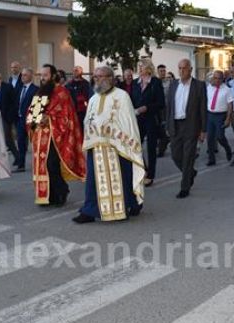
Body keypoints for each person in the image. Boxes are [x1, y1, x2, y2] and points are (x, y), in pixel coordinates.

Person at [73, 66, 145, 223]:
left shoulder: (122, 96)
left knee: (122, 177)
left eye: (101, 77)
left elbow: (128, 122)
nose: (97, 80)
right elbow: (88, 120)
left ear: (111, 78)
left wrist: (117, 136)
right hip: (96, 145)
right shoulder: (93, 98)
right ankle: (89, 211)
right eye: (95, 77)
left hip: (117, 146)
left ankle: (126, 205)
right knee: (93, 180)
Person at [27, 64, 86, 206]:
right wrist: (34, 121)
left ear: (53, 76)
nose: (42, 78)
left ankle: (61, 192)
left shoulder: (61, 92)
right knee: (42, 166)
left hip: (54, 136)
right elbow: (32, 113)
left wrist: (50, 118)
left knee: (52, 165)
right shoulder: (40, 92)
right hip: (40, 136)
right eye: (41, 75)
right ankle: (46, 195)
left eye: (45, 75)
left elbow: (67, 116)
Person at [166, 58, 206, 198]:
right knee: (175, 155)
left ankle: (185, 188)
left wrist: (203, 130)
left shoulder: (199, 86)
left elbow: (202, 108)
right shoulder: (173, 85)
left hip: (191, 125)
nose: (181, 71)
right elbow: (169, 106)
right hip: (175, 125)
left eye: (184, 68)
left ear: (190, 69)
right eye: (180, 68)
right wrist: (167, 124)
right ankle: (190, 172)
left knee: (188, 156)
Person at [132, 60, 165, 186]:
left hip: (151, 118)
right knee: (135, 146)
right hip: (138, 119)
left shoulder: (155, 82)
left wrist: (147, 107)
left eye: (142, 66)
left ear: (149, 68)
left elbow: (161, 103)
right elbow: (132, 99)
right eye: (139, 66)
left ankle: (150, 175)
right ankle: (143, 169)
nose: (140, 68)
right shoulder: (136, 83)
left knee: (151, 147)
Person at [0, 69, 20, 167]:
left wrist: (11, 115)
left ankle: (18, 157)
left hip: (5, 117)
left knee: (7, 138)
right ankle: (0, 160)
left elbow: (15, 102)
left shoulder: (7, 87)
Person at [205, 70, 234, 165]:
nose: (217, 80)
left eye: (219, 78)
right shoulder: (209, 87)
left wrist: (228, 118)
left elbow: (230, 104)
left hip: (220, 115)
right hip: (210, 115)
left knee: (220, 136)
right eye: (215, 78)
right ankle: (211, 159)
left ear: (223, 79)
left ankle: (227, 149)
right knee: (209, 138)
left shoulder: (227, 89)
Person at [14, 67, 38, 172]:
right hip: (20, 120)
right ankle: (21, 164)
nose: (22, 77)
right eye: (22, 75)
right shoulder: (19, 88)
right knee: (20, 142)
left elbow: (37, 106)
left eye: (25, 75)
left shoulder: (35, 89)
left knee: (34, 142)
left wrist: (34, 120)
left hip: (30, 120)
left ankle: (38, 162)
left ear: (31, 76)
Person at [156, 64, 171, 157]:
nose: (162, 72)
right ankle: (161, 146)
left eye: (164, 71)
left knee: (166, 129)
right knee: (160, 130)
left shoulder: (169, 82)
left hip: (167, 108)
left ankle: (162, 147)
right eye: (161, 71)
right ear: (157, 72)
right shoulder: (154, 82)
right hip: (158, 110)